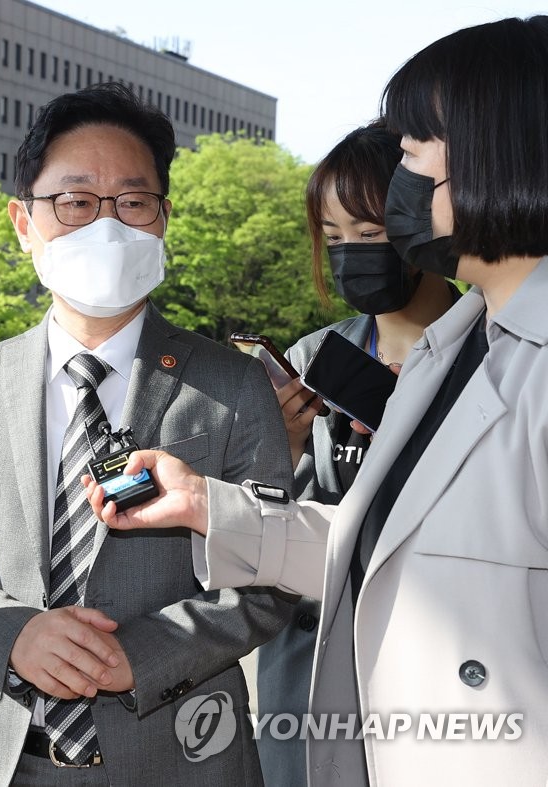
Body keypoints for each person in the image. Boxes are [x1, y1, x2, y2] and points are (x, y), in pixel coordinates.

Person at [85, 15, 548, 786]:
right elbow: (386, 548)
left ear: (497, 145)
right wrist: (205, 502)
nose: (399, 174)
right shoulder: (461, 348)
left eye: (411, 149)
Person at [0, 82, 296, 786]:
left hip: (182, 758)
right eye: (75, 202)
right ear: (23, 222)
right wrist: (11, 633)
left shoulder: (233, 383)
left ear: (163, 219)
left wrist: (148, 651)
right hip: (0, 758)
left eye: (132, 202)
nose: (107, 226)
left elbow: (271, 574)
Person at [255, 120, 457, 787]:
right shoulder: (312, 361)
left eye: (369, 235)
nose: (349, 255)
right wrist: (276, 453)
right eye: (334, 237)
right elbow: (263, 537)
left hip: (445, 684)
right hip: (310, 684)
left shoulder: (498, 354)